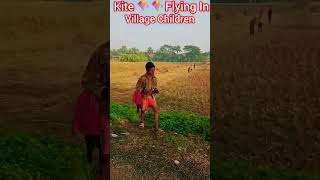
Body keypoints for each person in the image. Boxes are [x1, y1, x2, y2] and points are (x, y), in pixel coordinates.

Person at [72, 42, 110, 179]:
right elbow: (88, 79)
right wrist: (103, 92)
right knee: (107, 156)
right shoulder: (104, 51)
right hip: (105, 109)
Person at [135, 62, 162, 135]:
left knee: (156, 111)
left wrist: (155, 91)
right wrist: (140, 97)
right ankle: (142, 122)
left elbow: (154, 87)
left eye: (154, 70)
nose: (153, 72)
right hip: (144, 97)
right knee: (143, 111)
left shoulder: (154, 78)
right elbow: (138, 88)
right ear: (147, 70)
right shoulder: (142, 78)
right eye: (151, 70)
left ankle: (156, 128)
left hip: (151, 97)